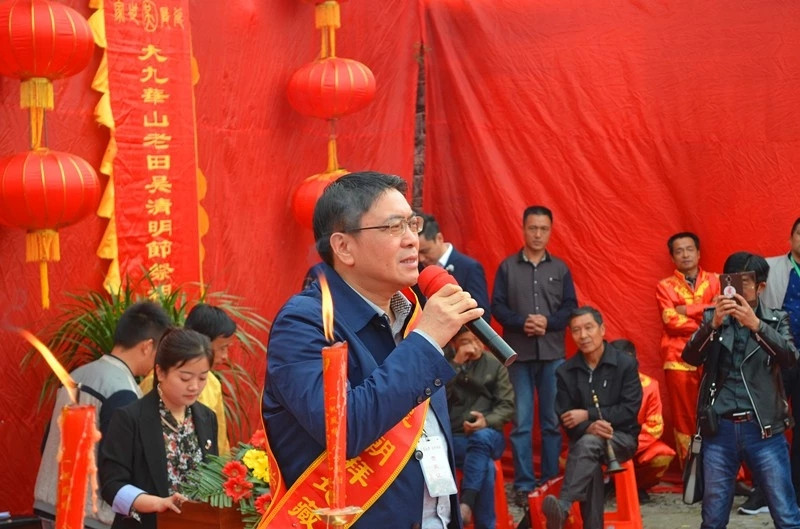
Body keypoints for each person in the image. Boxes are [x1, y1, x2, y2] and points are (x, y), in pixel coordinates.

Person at [259, 171, 483, 529]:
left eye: (412, 224)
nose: (412, 239)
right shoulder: (304, 323)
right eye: (394, 227)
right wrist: (426, 341)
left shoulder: (413, 315)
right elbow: (343, 430)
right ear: (344, 247)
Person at [682, 251, 800, 529]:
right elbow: (690, 358)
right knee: (713, 519)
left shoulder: (775, 320)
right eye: (729, 281)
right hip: (719, 430)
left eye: (743, 283)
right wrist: (713, 325)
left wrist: (756, 326)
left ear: (761, 286)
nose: (734, 290)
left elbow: (790, 359)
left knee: (786, 516)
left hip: (764, 430)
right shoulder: (713, 318)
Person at [34, 301, 172, 529]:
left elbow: (48, 439)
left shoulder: (76, 374)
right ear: (147, 346)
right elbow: (118, 463)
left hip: (52, 502)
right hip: (89, 513)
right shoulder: (123, 391)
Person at [491, 205, 577, 504]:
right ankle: (525, 485)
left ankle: (550, 482)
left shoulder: (560, 269)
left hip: (553, 353)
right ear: (524, 229)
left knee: (552, 422)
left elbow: (570, 306)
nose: (538, 234)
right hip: (518, 354)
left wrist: (549, 323)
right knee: (522, 423)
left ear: (550, 231)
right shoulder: (507, 267)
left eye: (543, 229)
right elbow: (497, 306)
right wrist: (521, 322)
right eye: (533, 228)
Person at [99, 328, 218, 529]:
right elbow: (112, 486)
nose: (194, 387)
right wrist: (157, 503)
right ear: (160, 372)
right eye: (185, 378)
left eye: (202, 378)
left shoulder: (207, 417)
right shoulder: (130, 418)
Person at [542, 307, 641, 529]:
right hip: (584, 441)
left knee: (588, 447)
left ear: (602, 329)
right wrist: (589, 426)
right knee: (589, 453)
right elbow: (566, 418)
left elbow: (629, 410)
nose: (583, 335)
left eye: (589, 328)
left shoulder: (625, 364)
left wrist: (588, 415)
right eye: (576, 330)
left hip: (621, 437)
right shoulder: (566, 371)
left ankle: (563, 507)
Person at [655, 232, 720, 467]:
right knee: (685, 417)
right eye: (679, 251)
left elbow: (723, 314)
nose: (685, 254)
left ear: (699, 253)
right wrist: (708, 316)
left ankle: (728, 473)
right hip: (678, 358)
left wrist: (688, 310)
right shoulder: (664, 286)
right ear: (672, 257)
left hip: (713, 355)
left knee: (719, 412)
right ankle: (692, 473)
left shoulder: (716, 281)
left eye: (689, 249)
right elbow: (671, 321)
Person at [140, 303, 235, 455]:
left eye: (202, 378)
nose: (225, 356)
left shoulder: (213, 384)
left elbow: (220, 443)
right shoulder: (154, 381)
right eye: (222, 348)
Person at [446, 327, 515, 528]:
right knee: (485, 466)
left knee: (481, 438)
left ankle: (465, 505)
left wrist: (486, 421)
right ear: (454, 344)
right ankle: (483, 522)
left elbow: (506, 406)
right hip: (457, 436)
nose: (473, 346)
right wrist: (456, 364)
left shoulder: (495, 364)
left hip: (490, 434)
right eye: (465, 341)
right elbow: (437, 398)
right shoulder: (445, 364)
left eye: (477, 340)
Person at [762, 217, 800, 508]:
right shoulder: (769, 267)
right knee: (768, 423)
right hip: (778, 354)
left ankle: (796, 489)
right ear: (790, 238)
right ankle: (764, 491)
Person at [609, 339, 676, 504]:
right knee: (569, 458)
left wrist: (627, 444)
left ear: (635, 361)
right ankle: (606, 484)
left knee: (662, 455)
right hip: (605, 444)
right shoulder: (599, 384)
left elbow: (655, 426)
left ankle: (638, 486)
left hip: (637, 444)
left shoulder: (650, 386)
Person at [418, 212, 491, 321]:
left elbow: (482, 314)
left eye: (425, 251)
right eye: (416, 252)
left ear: (439, 238)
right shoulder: (417, 268)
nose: (421, 258)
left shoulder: (469, 267)